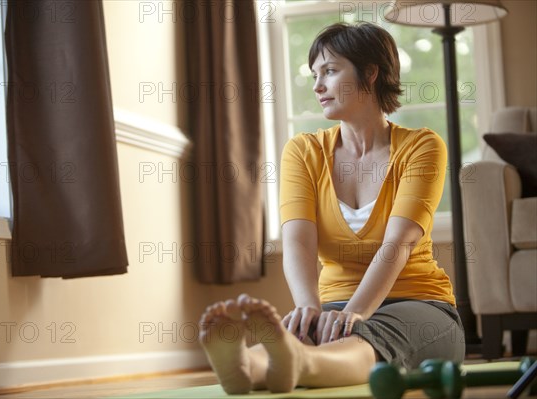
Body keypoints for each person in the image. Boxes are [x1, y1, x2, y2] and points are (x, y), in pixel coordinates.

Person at [198, 22, 465, 394]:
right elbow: (298, 243)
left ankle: (300, 362)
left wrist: (355, 313)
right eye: (314, 75)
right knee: (307, 331)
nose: (317, 86)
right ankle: (248, 365)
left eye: (329, 70)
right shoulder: (303, 151)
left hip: (417, 304)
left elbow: (399, 242)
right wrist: (309, 307)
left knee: (365, 338)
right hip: (334, 302)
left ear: (370, 73)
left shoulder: (421, 146)